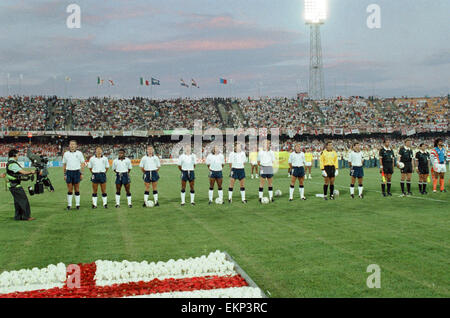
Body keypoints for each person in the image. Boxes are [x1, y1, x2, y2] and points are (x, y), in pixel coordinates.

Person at [4, 149, 35, 221]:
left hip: (12, 185)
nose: (18, 156)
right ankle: (26, 216)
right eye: (17, 155)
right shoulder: (13, 164)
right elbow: (23, 172)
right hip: (15, 185)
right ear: (14, 155)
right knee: (24, 200)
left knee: (17, 201)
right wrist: (31, 171)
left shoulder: (10, 162)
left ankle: (18, 217)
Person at [63, 140, 85, 210]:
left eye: (73, 144)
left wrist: (82, 173)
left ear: (76, 146)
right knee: (69, 189)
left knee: (77, 189)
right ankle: (69, 205)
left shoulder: (79, 153)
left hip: (77, 172)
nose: (72, 146)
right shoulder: (66, 154)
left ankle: (77, 205)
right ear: (69, 145)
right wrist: (64, 174)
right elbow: (64, 164)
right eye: (71, 144)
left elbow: (82, 163)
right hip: (69, 172)